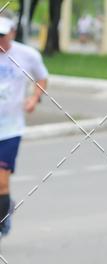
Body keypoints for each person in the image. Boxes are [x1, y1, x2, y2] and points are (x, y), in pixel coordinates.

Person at [0, 16, 48, 238]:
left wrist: (34, 98)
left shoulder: (27, 55)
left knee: (1, 181)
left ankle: (2, 222)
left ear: (12, 32)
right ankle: (5, 206)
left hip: (10, 130)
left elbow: (42, 78)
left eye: (2, 35)